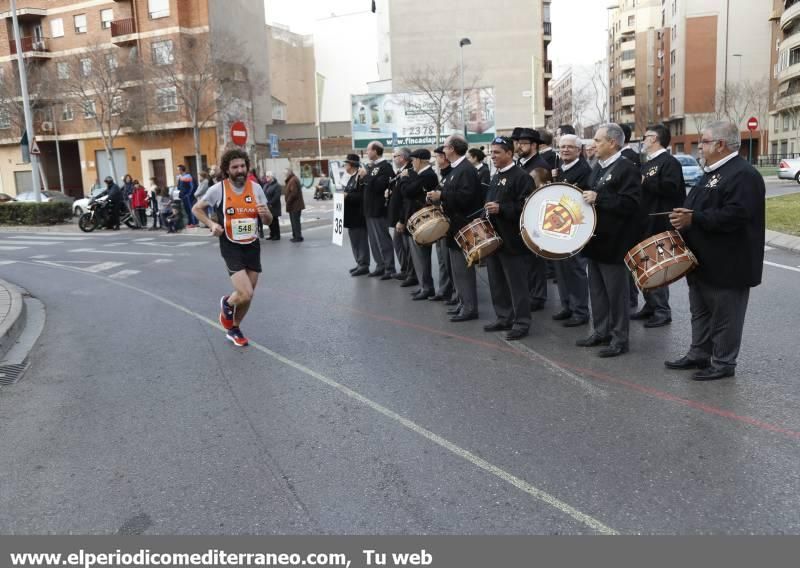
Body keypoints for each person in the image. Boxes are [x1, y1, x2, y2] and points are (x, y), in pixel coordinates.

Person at [666, 121, 765, 381]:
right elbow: (696, 206)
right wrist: (683, 216)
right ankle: (699, 353)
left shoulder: (744, 174)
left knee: (725, 317)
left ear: (720, 144)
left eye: (704, 142)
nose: (700, 147)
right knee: (700, 312)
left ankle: (722, 362)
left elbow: (737, 215)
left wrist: (694, 219)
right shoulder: (711, 172)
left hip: (728, 263)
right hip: (702, 261)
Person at [192, 149, 272, 347]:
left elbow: (269, 220)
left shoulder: (256, 189)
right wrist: (212, 225)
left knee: (247, 296)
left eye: (242, 166)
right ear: (227, 170)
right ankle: (227, 304)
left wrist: (265, 215)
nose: (240, 170)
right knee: (246, 293)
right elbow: (196, 209)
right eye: (235, 167)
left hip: (252, 244)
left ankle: (234, 327)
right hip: (230, 245)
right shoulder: (218, 189)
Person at [577, 123, 642, 358]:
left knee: (617, 295)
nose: (593, 144)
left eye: (597, 140)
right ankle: (601, 331)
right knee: (597, 292)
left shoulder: (627, 168)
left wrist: (599, 198)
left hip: (615, 243)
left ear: (613, 143)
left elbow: (631, 204)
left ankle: (619, 339)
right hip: (595, 242)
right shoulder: (597, 168)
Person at [633, 124, 686, 328]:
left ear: (654, 138)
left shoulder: (669, 162)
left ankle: (662, 310)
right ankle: (650, 305)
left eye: (645, 137)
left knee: (657, 267)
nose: (643, 141)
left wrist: (646, 181)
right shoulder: (647, 162)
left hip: (659, 222)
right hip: (644, 221)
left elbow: (672, 189)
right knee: (645, 266)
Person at [426, 134, 483, 322]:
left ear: (452, 149)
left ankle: (469, 307)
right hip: (454, 226)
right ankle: (462, 302)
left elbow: (465, 198)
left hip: (462, 226)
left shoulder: (465, 170)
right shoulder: (456, 169)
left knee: (463, 270)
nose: (443, 150)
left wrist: (441, 196)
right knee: (455, 270)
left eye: (445, 147)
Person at [483, 136, 535, 340]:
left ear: (509, 154)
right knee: (497, 282)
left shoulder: (522, 177)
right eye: (491, 152)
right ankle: (504, 317)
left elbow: (528, 207)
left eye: (496, 152)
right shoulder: (496, 176)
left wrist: (501, 208)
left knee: (517, 285)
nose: (492, 156)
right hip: (494, 240)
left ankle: (522, 322)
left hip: (513, 242)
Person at [552, 134, 592, 328]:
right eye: (562, 147)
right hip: (559, 225)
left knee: (576, 269)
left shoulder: (584, 170)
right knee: (561, 268)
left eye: (569, 147)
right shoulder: (559, 169)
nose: (565, 150)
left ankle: (580, 311)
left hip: (575, 226)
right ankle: (567, 305)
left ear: (579, 150)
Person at [517, 128, 549, 311]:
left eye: (524, 143)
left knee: (535, 260)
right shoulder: (524, 163)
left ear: (534, 145)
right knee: (527, 261)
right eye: (519, 143)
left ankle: (537, 297)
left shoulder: (539, 165)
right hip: (524, 216)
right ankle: (532, 293)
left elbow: (538, 194)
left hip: (535, 218)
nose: (520, 146)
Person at [402, 148, 440, 300]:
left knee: (422, 255)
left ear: (420, 160)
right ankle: (423, 285)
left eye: (413, 160)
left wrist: (404, 178)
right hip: (416, 218)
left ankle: (427, 287)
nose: (412, 163)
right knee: (417, 256)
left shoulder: (427, 175)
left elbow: (408, 192)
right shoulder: (420, 175)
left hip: (423, 220)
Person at [360, 141, 397, 278]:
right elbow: (367, 185)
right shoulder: (370, 167)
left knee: (382, 239)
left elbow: (380, 186)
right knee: (374, 241)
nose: (367, 152)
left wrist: (366, 176)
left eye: (368, 150)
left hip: (379, 209)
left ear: (376, 151)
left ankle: (389, 267)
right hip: (369, 209)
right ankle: (380, 265)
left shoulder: (385, 167)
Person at [428, 146, 456, 303]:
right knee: (442, 258)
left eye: (438, 156)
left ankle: (452, 291)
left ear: (445, 157)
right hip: (440, 221)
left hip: (448, 222)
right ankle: (444, 288)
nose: (436, 160)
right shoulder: (444, 175)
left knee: (448, 260)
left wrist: (440, 196)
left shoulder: (452, 173)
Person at [388, 147, 417, 286]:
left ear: (403, 157)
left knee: (407, 247)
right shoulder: (400, 171)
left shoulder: (409, 171)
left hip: (405, 216)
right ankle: (406, 269)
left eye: (395, 156)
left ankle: (412, 274)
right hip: (399, 216)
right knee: (399, 244)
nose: (394, 158)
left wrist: (402, 220)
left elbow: (406, 198)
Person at [342, 154, 370, 276]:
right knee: (354, 241)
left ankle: (364, 265)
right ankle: (359, 262)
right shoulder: (351, 177)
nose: (344, 165)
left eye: (346, 163)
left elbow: (362, 196)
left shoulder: (360, 177)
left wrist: (347, 196)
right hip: (351, 216)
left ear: (352, 164)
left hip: (358, 216)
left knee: (361, 241)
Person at [284, 168, 305, 242]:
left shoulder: (293, 180)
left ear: (289, 173)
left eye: (285, 173)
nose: (284, 175)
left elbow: (294, 193)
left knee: (295, 222)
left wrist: (288, 201)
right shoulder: (292, 179)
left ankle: (298, 237)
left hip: (295, 205)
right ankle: (296, 236)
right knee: (294, 221)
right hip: (294, 205)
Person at [263, 171, 282, 241]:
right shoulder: (266, 185)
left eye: (268, 176)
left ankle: (277, 235)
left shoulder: (277, 185)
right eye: (266, 176)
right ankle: (272, 234)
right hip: (267, 206)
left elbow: (277, 196)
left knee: (274, 221)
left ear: (272, 177)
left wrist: (270, 203)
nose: (266, 177)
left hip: (274, 206)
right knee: (270, 221)